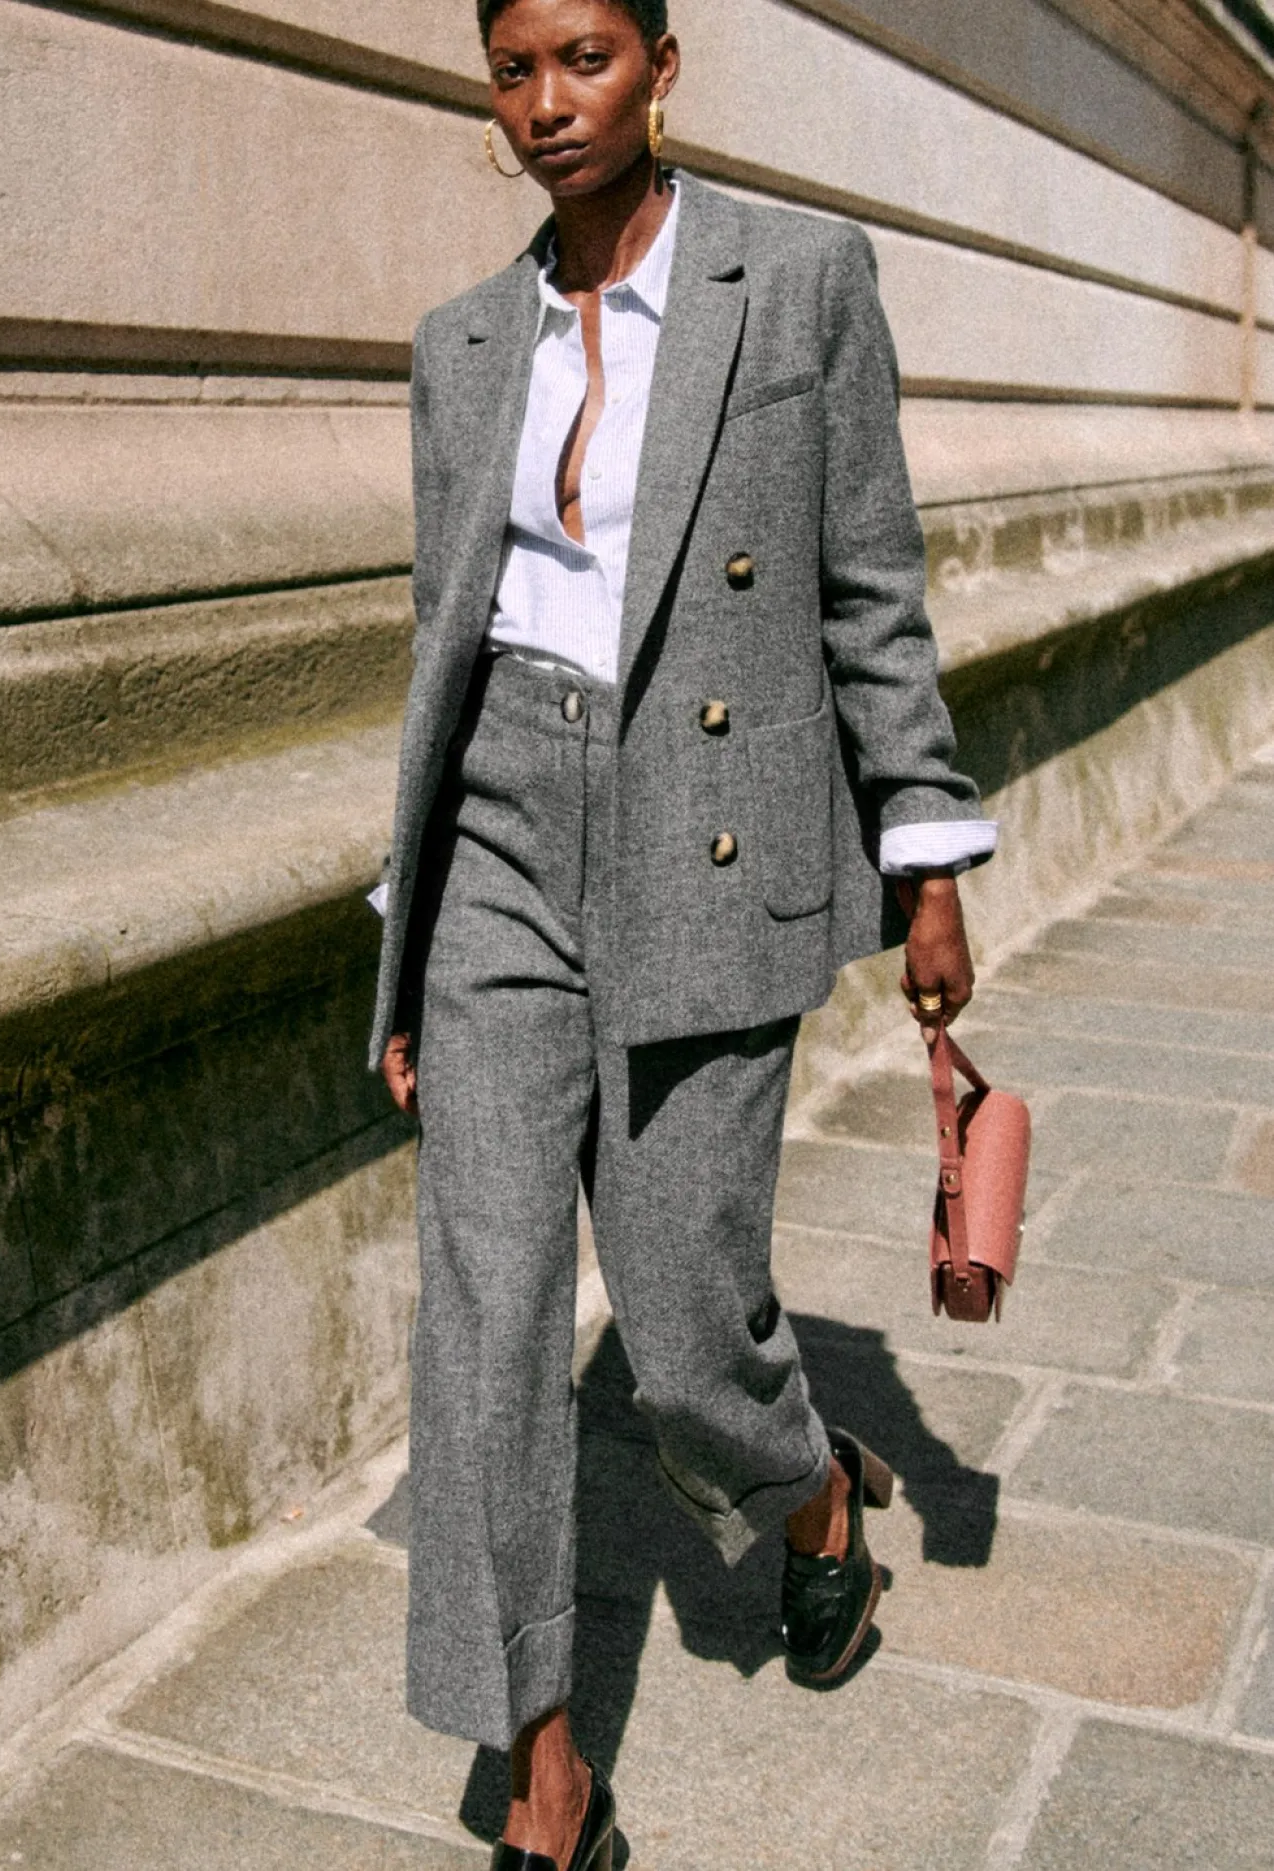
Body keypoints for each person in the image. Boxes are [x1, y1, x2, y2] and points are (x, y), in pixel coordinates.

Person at [369, 2, 997, 1864]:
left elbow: (869, 584)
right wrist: (409, 934)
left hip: (706, 838)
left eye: (583, 57)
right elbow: (443, 654)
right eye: (512, 69)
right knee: (484, 1313)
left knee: (687, 1337)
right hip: (499, 836)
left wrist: (927, 857)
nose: (546, 105)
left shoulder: (797, 281)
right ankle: (542, 1772)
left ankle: (810, 1493)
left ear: (661, 63)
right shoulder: (460, 341)